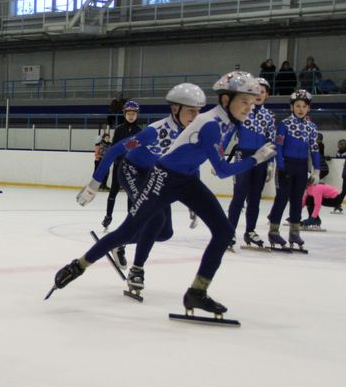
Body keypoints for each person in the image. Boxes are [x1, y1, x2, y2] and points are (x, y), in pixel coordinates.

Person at [50, 71, 276, 316]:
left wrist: (193, 202)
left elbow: (195, 157)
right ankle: (79, 265)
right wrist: (256, 159)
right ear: (225, 100)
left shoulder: (228, 123)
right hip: (161, 177)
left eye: (252, 103)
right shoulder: (205, 125)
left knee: (221, 232)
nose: (249, 108)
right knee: (132, 228)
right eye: (244, 101)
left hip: (186, 178)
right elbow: (221, 170)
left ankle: (197, 292)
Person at [76, 83, 205, 295]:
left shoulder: (192, 135)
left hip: (155, 174)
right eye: (191, 110)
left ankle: (119, 243)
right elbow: (115, 150)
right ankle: (137, 270)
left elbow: (192, 165)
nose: (196, 116)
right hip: (131, 170)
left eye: (198, 111)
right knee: (155, 218)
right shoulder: (155, 131)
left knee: (165, 233)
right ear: (175, 109)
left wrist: (194, 202)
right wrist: (93, 185)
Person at [266, 89, 321, 249]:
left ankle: (294, 232)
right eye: (297, 106)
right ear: (291, 107)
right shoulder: (285, 124)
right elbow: (279, 147)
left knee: (297, 200)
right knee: (282, 198)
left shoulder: (311, 127)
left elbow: (315, 149)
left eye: (304, 106)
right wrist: (281, 166)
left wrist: (316, 170)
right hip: (287, 166)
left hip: (302, 166)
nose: (301, 109)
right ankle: (274, 231)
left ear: (308, 108)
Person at [226, 76, 276, 248]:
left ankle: (250, 231)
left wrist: (270, 163)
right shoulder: (241, 111)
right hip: (243, 155)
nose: (259, 94)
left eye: (262, 92)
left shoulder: (269, 116)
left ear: (267, 95)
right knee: (239, 196)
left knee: (255, 198)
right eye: (256, 91)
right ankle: (229, 231)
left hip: (261, 158)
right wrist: (219, 156)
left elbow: (272, 140)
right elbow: (228, 134)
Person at [101, 100, 143, 264]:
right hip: (119, 167)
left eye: (134, 114)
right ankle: (108, 215)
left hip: (132, 170)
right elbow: (114, 148)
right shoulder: (119, 130)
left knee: (131, 197)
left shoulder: (140, 131)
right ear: (124, 114)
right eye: (128, 113)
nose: (131, 116)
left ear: (137, 115)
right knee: (113, 192)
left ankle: (129, 220)